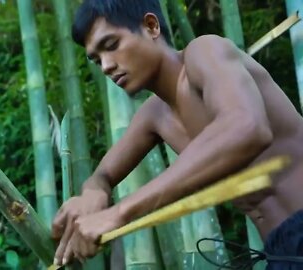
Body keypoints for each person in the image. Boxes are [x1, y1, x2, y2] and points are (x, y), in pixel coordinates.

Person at [51, 0, 303, 269]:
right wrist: (93, 195)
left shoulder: (205, 52)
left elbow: (247, 127)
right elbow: (102, 176)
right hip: (281, 252)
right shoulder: (153, 116)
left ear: (151, 26)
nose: (106, 66)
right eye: (97, 58)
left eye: (111, 45)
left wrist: (120, 212)